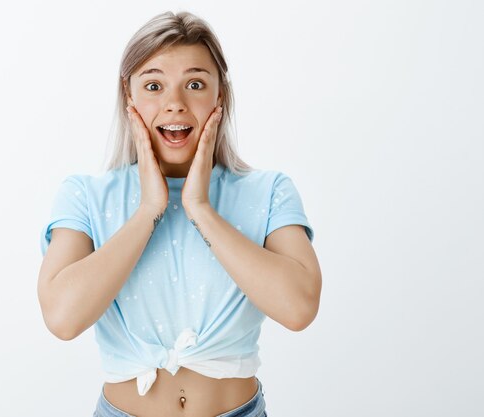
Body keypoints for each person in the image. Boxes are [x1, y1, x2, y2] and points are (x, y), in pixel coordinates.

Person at [37, 10, 322, 417]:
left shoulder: (269, 190)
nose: (175, 104)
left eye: (195, 84)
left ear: (219, 95)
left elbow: (299, 309)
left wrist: (200, 208)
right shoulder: (85, 195)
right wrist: (149, 210)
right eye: (154, 85)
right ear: (128, 97)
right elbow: (63, 319)